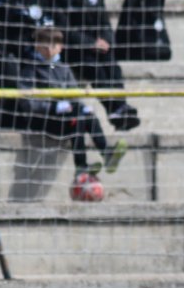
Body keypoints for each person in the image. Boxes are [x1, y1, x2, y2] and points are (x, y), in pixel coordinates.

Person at [14, 27, 128, 185]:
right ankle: (81, 166)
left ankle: (105, 153)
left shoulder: (62, 68)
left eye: (54, 45)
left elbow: (74, 93)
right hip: (45, 120)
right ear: (37, 46)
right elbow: (28, 102)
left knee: (86, 114)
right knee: (78, 117)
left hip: (67, 116)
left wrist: (77, 106)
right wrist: (54, 107)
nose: (50, 49)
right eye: (45, 45)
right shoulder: (30, 69)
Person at [48, 0, 141, 132]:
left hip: (96, 48)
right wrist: (91, 43)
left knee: (112, 64)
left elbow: (105, 23)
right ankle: (114, 110)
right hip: (75, 51)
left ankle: (121, 106)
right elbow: (66, 31)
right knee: (94, 67)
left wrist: (106, 41)